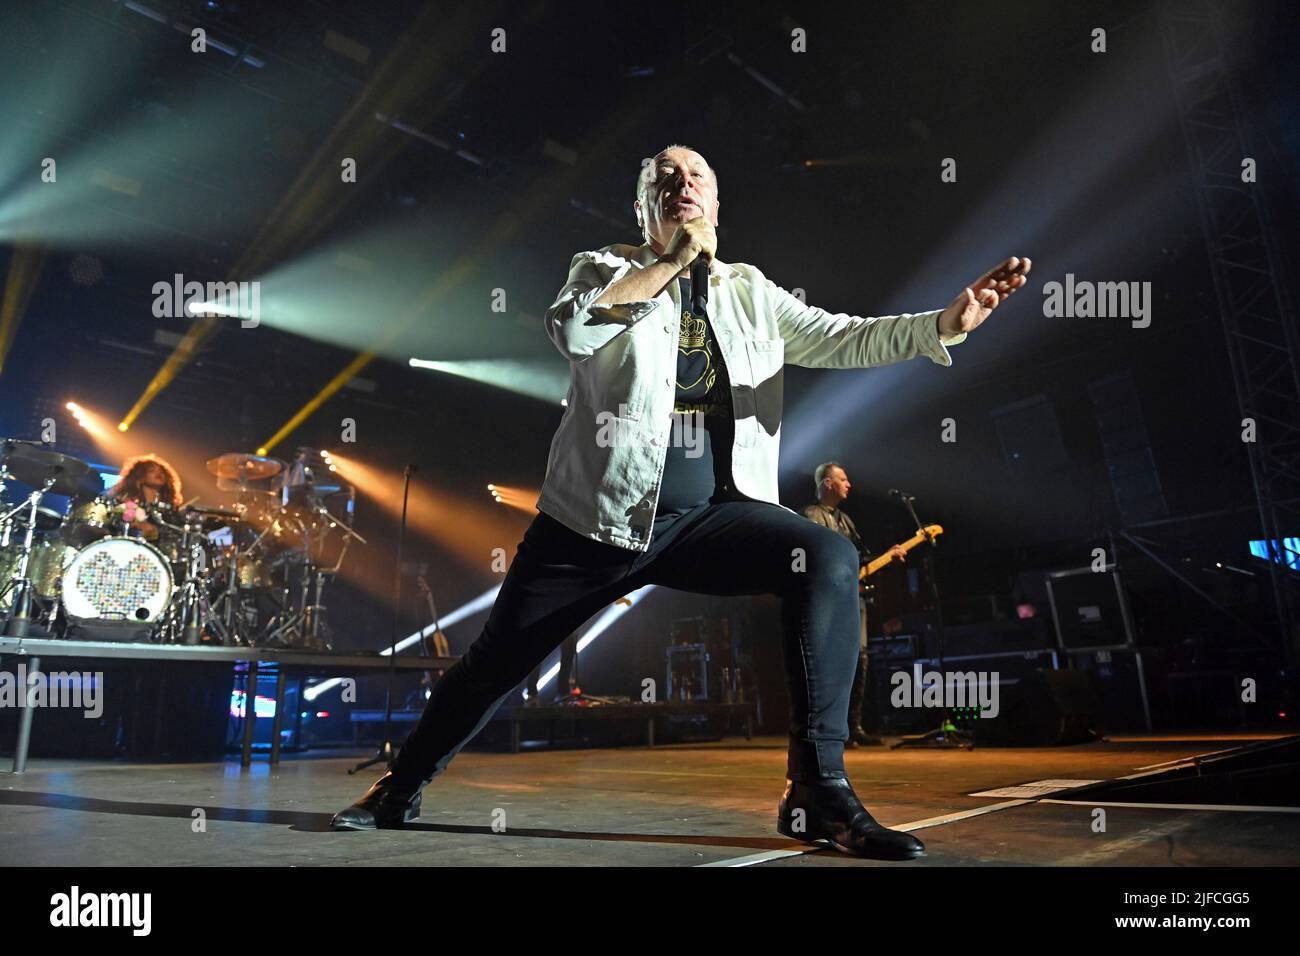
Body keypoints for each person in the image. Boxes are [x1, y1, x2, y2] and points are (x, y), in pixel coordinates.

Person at [332, 144, 1031, 859]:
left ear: (718, 205)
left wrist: (942, 324)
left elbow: (842, 337)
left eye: (696, 177)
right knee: (494, 662)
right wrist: (670, 263)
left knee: (825, 554)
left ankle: (819, 790)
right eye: (663, 180)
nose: (682, 185)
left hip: (712, 518)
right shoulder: (605, 267)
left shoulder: (750, 290)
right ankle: (400, 783)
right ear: (643, 210)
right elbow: (574, 329)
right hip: (598, 520)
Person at [802, 462, 906, 747]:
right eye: (843, 479)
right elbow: (813, 557)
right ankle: (825, 727)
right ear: (827, 484)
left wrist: (887, 558)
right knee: (829, 663)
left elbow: (862, 560)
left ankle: (853, 726)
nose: (849, 484)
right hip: (826, 601)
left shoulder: (846, 520)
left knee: (859, 659)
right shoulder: (811, 516)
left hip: (853, 599)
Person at [106, 453, 184, 541]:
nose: (158, 473)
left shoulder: (169, 509)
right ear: (139, 476)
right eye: (151, 471)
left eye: (161, 472)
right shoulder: (126, 501)